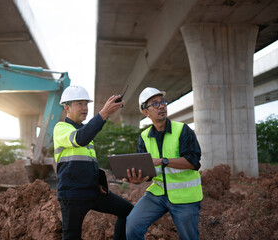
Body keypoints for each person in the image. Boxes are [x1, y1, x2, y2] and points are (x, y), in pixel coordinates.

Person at [53, 85, 133, 240]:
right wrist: (104, 113)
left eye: (86, 104)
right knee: (72, 237)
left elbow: (85, 163)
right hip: (73, 194)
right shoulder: (61, 128)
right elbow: (80, 138)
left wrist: (98, 182)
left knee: (127, 211)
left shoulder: (85, 130)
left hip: (93, 191)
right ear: (66, 108)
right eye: (79, 104)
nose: (85, 108)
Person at [124, 87, 203, 240]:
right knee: (131, 226)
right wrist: (139, 179)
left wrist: (162, 161)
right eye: (155, 104)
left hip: (185, 196)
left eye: (163, 102)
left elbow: (193, 162)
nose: (161, 106)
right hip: (157, 194)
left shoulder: (183, 130)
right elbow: (147, 170)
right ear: (145, 112)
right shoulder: (144, 137)